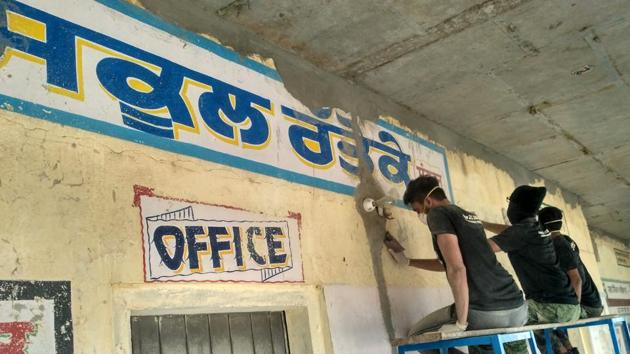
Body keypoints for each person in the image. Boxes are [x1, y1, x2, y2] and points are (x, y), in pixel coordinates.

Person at [385, 176, 527, 353]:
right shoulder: (468, 216)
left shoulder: (437, 214)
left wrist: (461, 322)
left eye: (417, 210)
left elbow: (457, 269)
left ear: (428, 201)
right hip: (517, 307)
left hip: (487, 310)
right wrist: (407, 261)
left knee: (417, 338)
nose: (419, 215)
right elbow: (448, 263)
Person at [482, 185, 581, 352]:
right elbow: (510, 232)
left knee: (511, 315)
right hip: (567, 304)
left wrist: (464, 233)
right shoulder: (537, 227)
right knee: (540, 323)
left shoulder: (523, 230)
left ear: (516, 207)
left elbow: (485, 247)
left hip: (551, 304)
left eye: (510, 202)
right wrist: (482, 224)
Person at [538, 206, 604, 353]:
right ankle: (567, 350)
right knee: (552, 319)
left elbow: (577, 280)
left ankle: (561, 351)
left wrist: (574, 308)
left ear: (542, 226)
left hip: (586, 306)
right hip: (593, 302)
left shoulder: (559, 245)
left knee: (540, 322)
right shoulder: (566, 240)